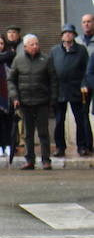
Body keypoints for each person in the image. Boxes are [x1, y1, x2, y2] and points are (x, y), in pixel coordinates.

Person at [9, 32, 58, 170]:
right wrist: (15, 97)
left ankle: (46, 160)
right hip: (25, 102)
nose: (35, 46)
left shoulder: (46, 59)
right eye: (32, 44)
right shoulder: (18, 60)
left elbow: (53, 80)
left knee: (43, 133)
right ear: (25, 47)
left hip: (42, 101)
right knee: (28, 134)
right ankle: (30, 159)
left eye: (37, 44)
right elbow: (11, 80)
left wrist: (53, 98)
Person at [50, 24, 90, 157]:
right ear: (61, 36)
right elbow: (51, 71)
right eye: (65, 33)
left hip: (76, 89)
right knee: (59, 120)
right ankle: (60, 147)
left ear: (74, 35)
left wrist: (84, 84)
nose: (67, 35)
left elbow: (86, 70)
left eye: (70, 33)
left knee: (80, 119)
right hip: (60, 90)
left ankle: (82, 146)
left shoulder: (81, 50)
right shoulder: (55, 51)